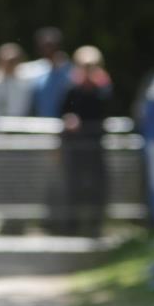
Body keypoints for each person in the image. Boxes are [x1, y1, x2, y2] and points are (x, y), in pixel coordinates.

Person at [59, 46, 112, 237]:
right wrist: (70, 119)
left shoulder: (103, 88)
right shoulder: (72, 88)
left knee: (97, 186)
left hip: (96, 146)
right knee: (73, 185)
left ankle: (96, 225)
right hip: (75, 147)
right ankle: (72, 225)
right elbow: (64, 110)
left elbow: (105, 109)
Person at [20, 26, 73, 118]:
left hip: (63, 124)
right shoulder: (33, 70)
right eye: (43, 46)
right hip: (40, 124)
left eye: (50, 46)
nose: (47, 50)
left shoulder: (70, 71)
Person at [0, 42, 33, 130]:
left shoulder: (25, 79)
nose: (10, 64)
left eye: (13, 61)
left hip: (21, 127)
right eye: (7, 61)